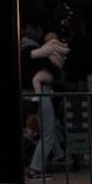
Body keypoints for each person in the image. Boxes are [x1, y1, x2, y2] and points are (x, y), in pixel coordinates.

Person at [22, 24, 69, 176]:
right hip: (42, 93)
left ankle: (59, 156)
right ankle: (35, 168)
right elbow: (54, 69)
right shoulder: (38, 52)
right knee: (48, 131)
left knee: (46, 128)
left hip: (28, 93)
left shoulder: (21, 51)